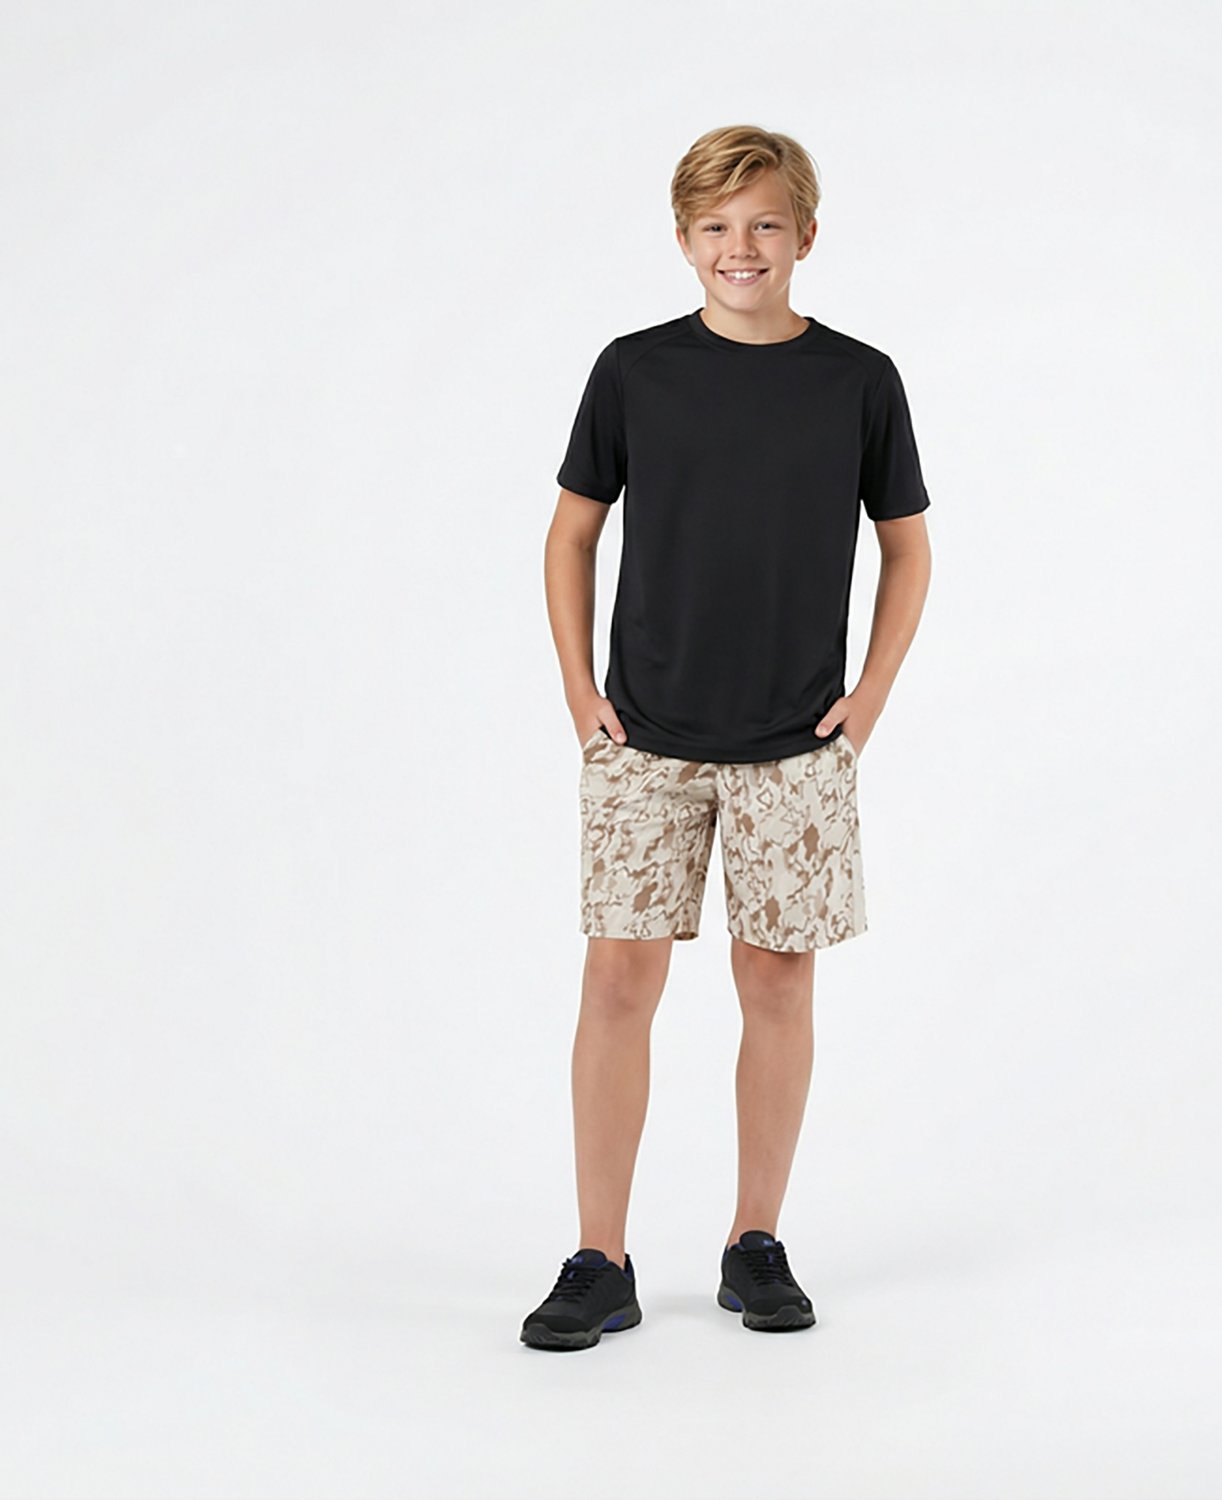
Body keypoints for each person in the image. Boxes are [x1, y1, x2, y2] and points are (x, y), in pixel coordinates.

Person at [523, 124, 932, 1351]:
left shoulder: (859, 380)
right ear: (683, 239)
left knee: (778, 982)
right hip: (643, 737)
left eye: (763, 225)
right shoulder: (634, 371)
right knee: (617, 980)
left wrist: (871, 694)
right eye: (715, 227)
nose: (739, 248)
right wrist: (578, 692)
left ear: (806, 234)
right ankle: (599, 1258)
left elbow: (907, 546)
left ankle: (757, 1243)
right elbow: (572, 533)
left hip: (796, 743)